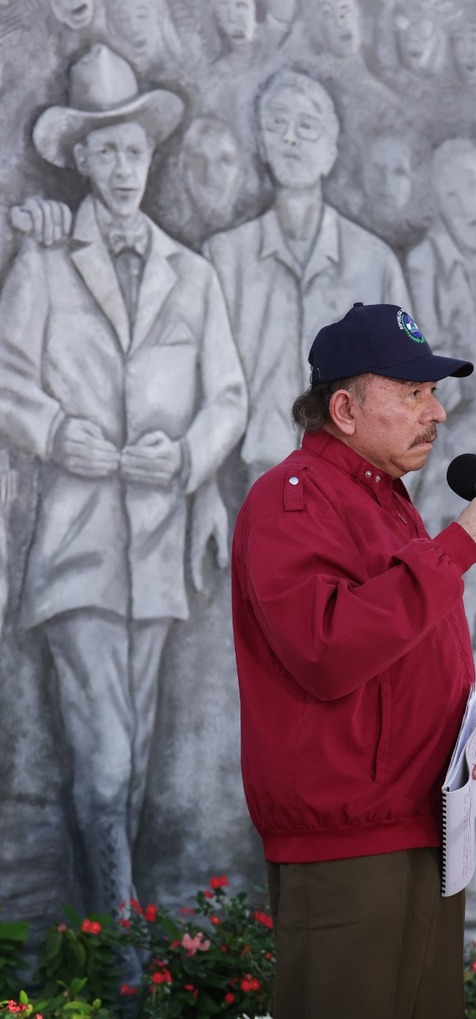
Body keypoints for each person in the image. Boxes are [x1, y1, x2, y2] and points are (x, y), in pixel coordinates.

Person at [0, 43, 247, 916]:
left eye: (133, 150)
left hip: (156, 548)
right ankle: (126, 949)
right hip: (76, 545)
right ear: (79, 159)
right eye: (104, 150)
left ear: (151, 156)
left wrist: (184, 456)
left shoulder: (193, 275)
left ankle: (106, 929)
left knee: (132, 760)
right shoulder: (42, 264)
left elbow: (228, 396)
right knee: (106, 758)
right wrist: (57, 433)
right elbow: (6, 378)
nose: (122, 167)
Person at [231, 301, 476, 1018]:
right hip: (348, 844)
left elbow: (395, 654)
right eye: (413, 392)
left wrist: (467, 719)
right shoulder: (291, 499)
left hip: (422, 822)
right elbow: (327, 651)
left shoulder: (384, 500)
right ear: (344, 409)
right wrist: (460, 544)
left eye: (433, 392)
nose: (437, 412)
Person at [204, 69, 410, 484]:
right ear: (262, 143)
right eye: (277, 124)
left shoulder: (374, 260)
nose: (290, 139)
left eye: (307, 126)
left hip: (353, 482)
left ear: (331, 148)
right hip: (251, 478)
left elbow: (409, 385)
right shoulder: (224, 255)